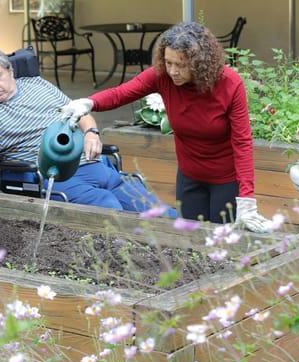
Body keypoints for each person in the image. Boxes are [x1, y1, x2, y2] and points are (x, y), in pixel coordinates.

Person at [61, 21, 271, 232]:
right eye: (168, 62)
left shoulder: (230, 84)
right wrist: (89, 103)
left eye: (181, 65)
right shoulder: (163, 77)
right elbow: (121, 93)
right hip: (189, 179)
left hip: (225, 182)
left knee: (222, 245)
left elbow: (242, 143)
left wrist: (246, 199)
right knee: (190, 243)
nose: (173, 71)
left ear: (200, 63)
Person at [0, 47, 176, 216]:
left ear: (10, 71)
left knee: (162, 215)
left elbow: (79, 112)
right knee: (110, 209)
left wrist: (91, 132)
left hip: (99, 167)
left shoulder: (38, 85)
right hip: (57, 177)